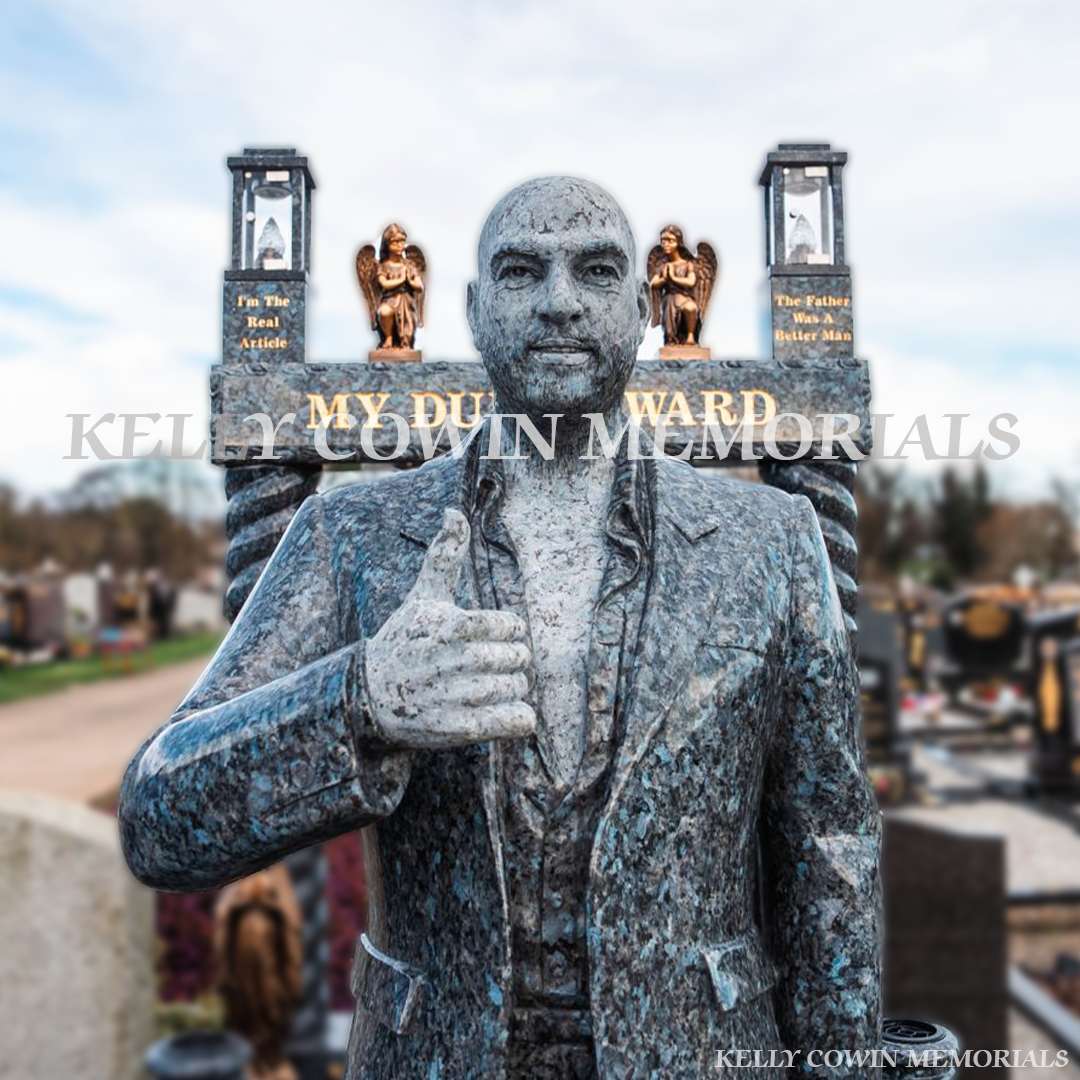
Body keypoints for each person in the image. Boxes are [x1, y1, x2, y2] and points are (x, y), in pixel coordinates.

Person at [120, 177, 881, 1080]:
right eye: (522, 272)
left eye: (595, 271)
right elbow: (159, 819)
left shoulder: (771, 542)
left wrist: (845, 1065)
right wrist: (360, 701)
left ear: (642, 310)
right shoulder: (349, 535)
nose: (559, 301)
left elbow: (830, 847)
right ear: (475, 312)